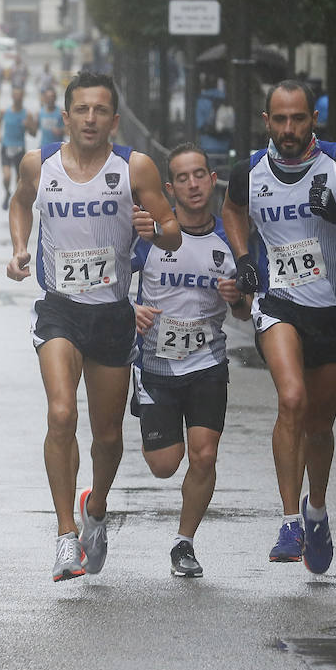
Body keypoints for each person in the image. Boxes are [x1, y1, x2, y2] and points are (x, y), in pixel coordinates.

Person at [6, 70, 181, 582]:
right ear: (66, 116)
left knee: (106, 434)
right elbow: (20, 203)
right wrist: (20, 245)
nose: (90, 118)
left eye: (100, 110)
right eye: (81, 109)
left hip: (111, 314)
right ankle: (65, 537)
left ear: (113, 119)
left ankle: (96, 511)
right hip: (59, 308)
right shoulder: (39, 164)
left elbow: (172, 231)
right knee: (61, 414)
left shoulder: (135, 168)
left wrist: (156, 230)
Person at [221, 79, 336, 574]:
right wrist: (244, 256)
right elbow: (232, 209)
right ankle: (290, 520)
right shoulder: (249, 171)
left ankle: (316, 510)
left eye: (298, 119)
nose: (289, 129)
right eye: (280, 119)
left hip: (334, 311)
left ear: (313, 118)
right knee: (291, 400)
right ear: (266, 120)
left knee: (318, 426)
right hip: (280, 305)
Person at [130, 144, 250, 577]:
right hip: (156, 365)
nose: (193, 184)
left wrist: (238, 300)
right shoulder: (151, 237)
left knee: (204, 456)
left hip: (207, 362)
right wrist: (132, 310)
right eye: (183, 178)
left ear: (212, 179)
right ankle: (94, 501)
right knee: (164, 465)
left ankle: (184, 543)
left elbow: (244, 310)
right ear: (169, 187)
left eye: (200, 175)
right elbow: (112, 285)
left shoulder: (230, 242)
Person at [0, 86, 37, 210]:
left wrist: (28, 126)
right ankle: (7, 192)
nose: (17, 98)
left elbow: (33, 133)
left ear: (22, 97)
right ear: (12, 97)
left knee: (19, 181)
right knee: (7, 176)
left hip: (20, 149)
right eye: (15, 95)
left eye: (19, 95)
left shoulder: (27, 114)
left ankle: (15, 202)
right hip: (6, 147)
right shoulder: (5, 112)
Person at [194, 75, 230, 155]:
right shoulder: (224, 98)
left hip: (207, 145)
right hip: (224, 145)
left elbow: (200, 126)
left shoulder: (201, 101)